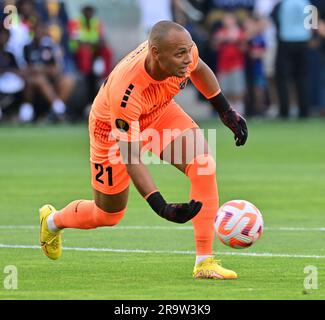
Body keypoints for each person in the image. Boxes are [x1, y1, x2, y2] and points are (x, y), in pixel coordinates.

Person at [39, 21, 248, 280]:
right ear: (156, 54)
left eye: (188, 50)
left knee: (203, 163)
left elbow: (200, 69)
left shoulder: (186, 51)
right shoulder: (126, 91)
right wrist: (161, 206)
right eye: (179, 54)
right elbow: (132, 157)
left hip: (159, 112)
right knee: (108, 214)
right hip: (111, 130)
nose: (187, 59)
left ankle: (204, 262)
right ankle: (52, 221)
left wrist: (225, 110)